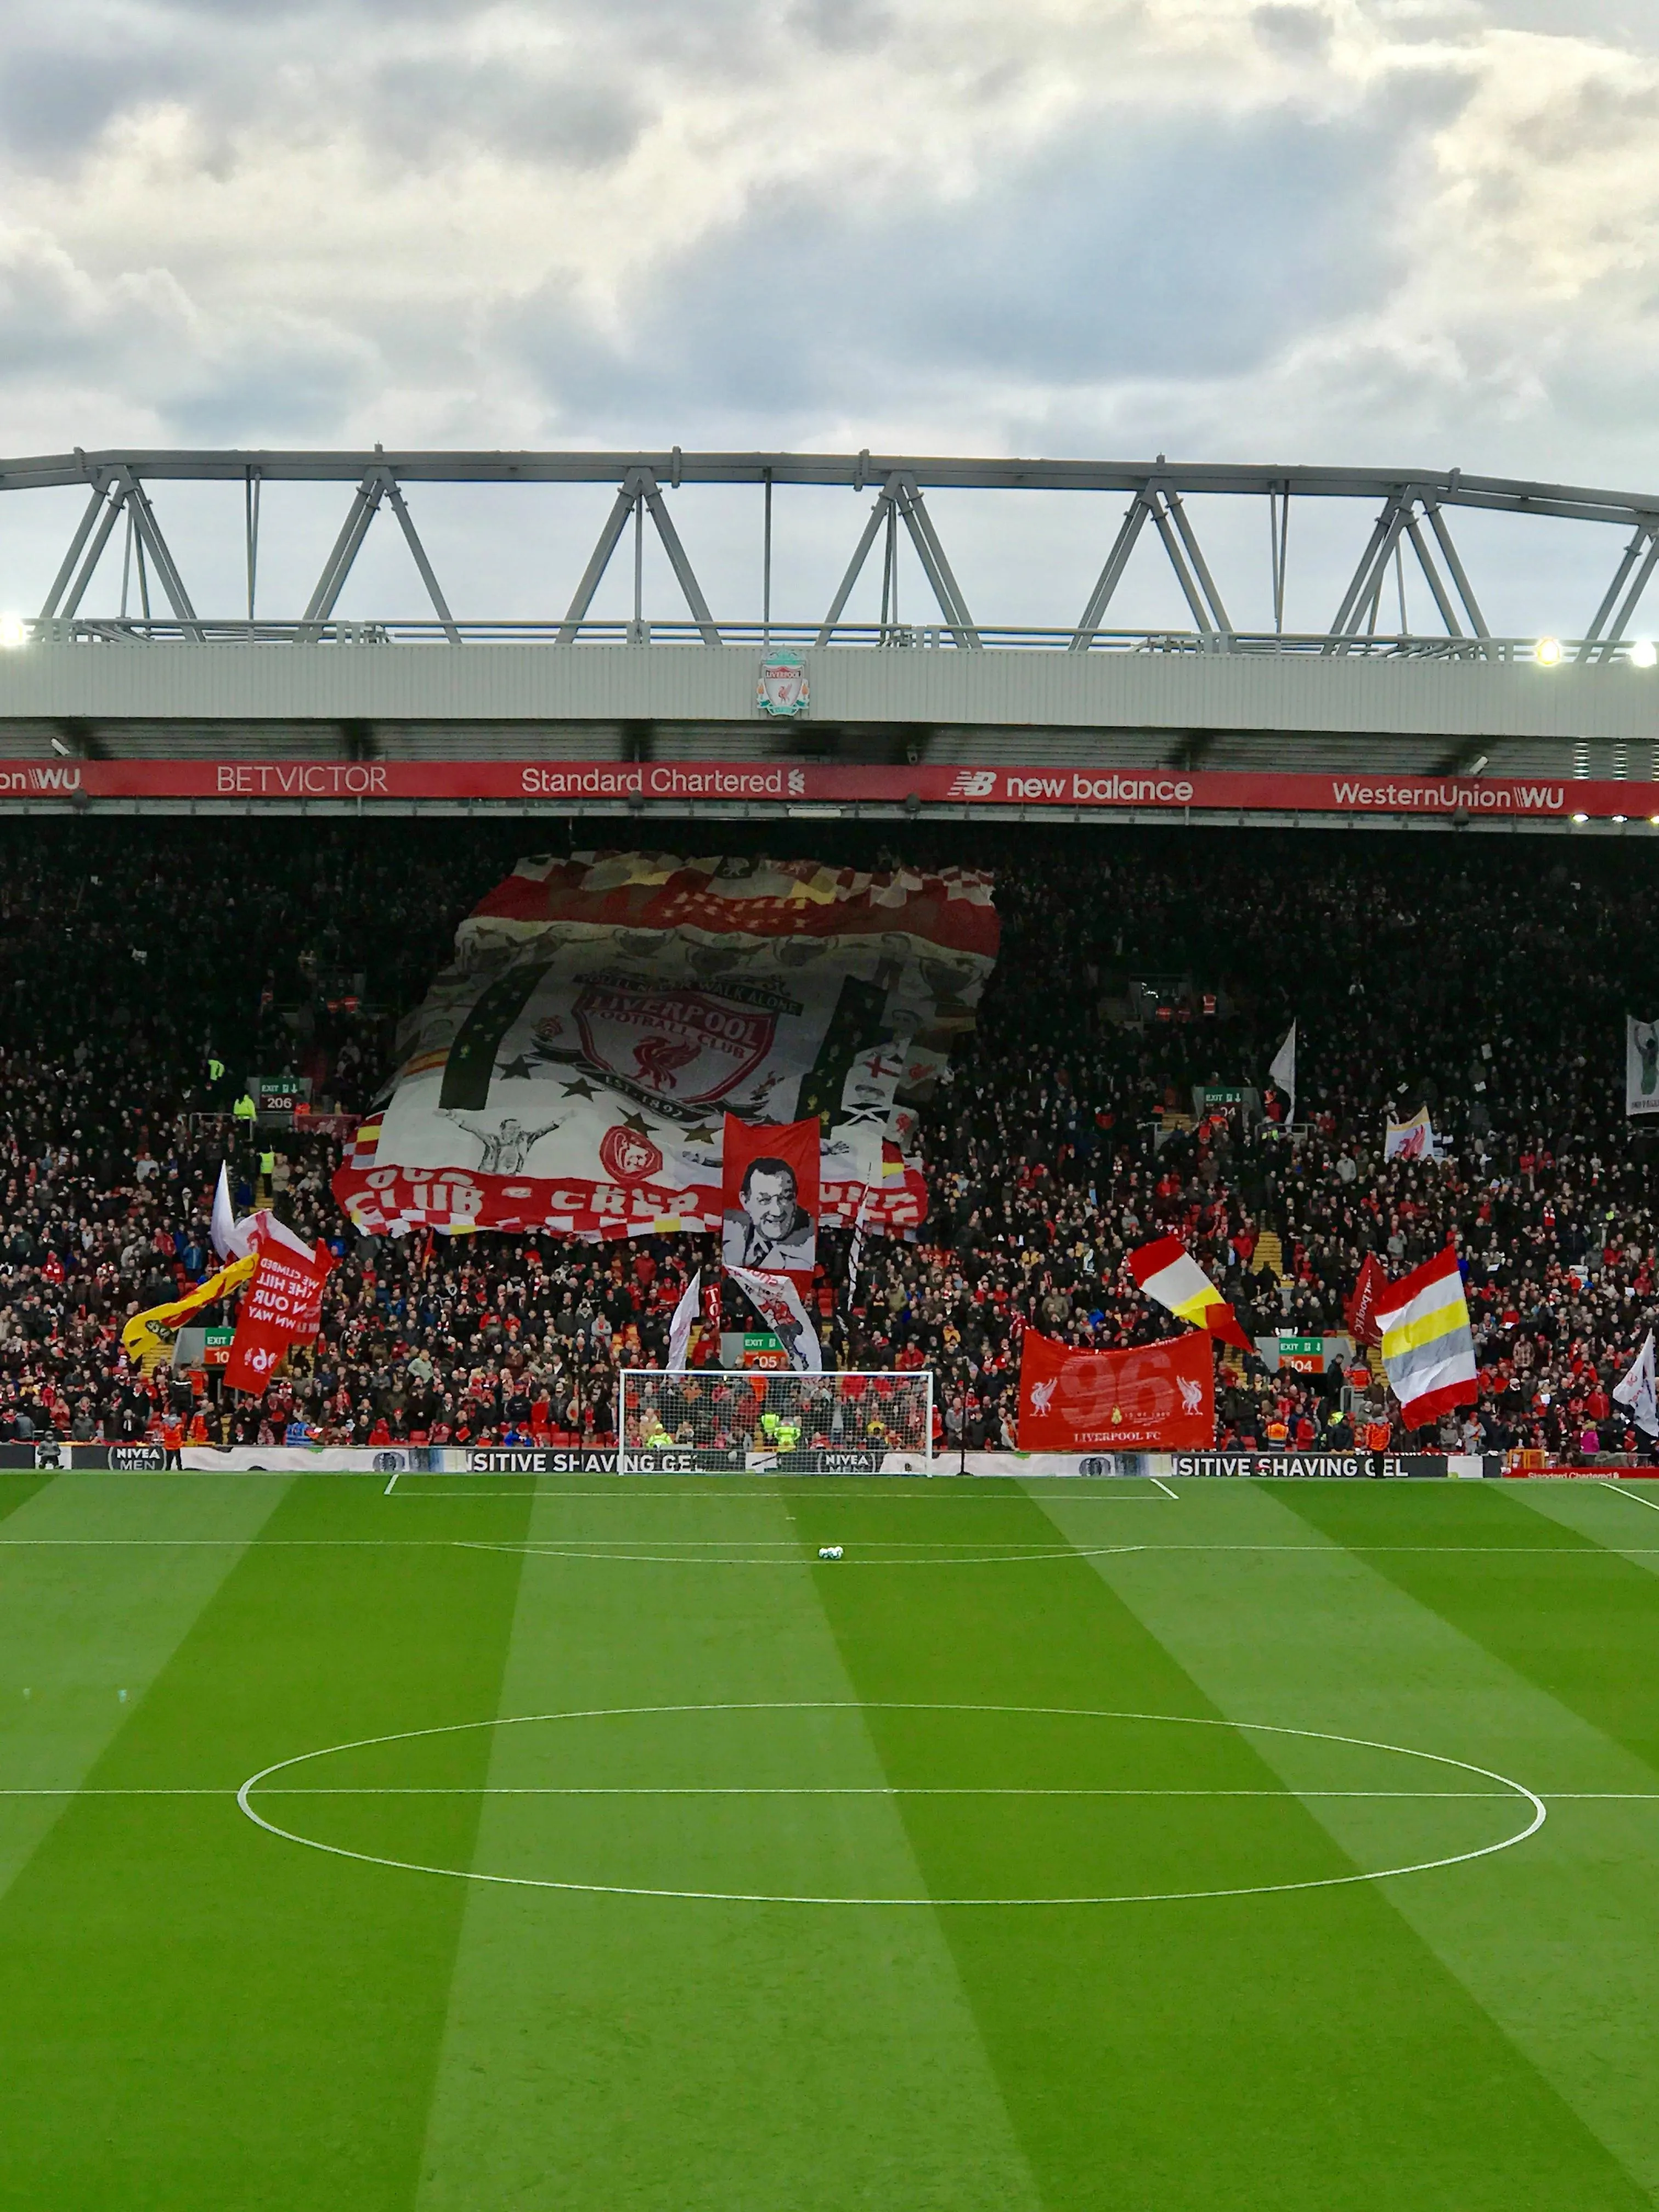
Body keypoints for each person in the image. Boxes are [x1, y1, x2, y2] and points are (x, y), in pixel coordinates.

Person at [721, 1158, 814, 1271]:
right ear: (745, 1201)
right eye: (765, 1200)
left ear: (795, 1199)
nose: (777, 1211)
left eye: (785, 1198)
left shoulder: (808, 1253)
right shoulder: (730, 1238)